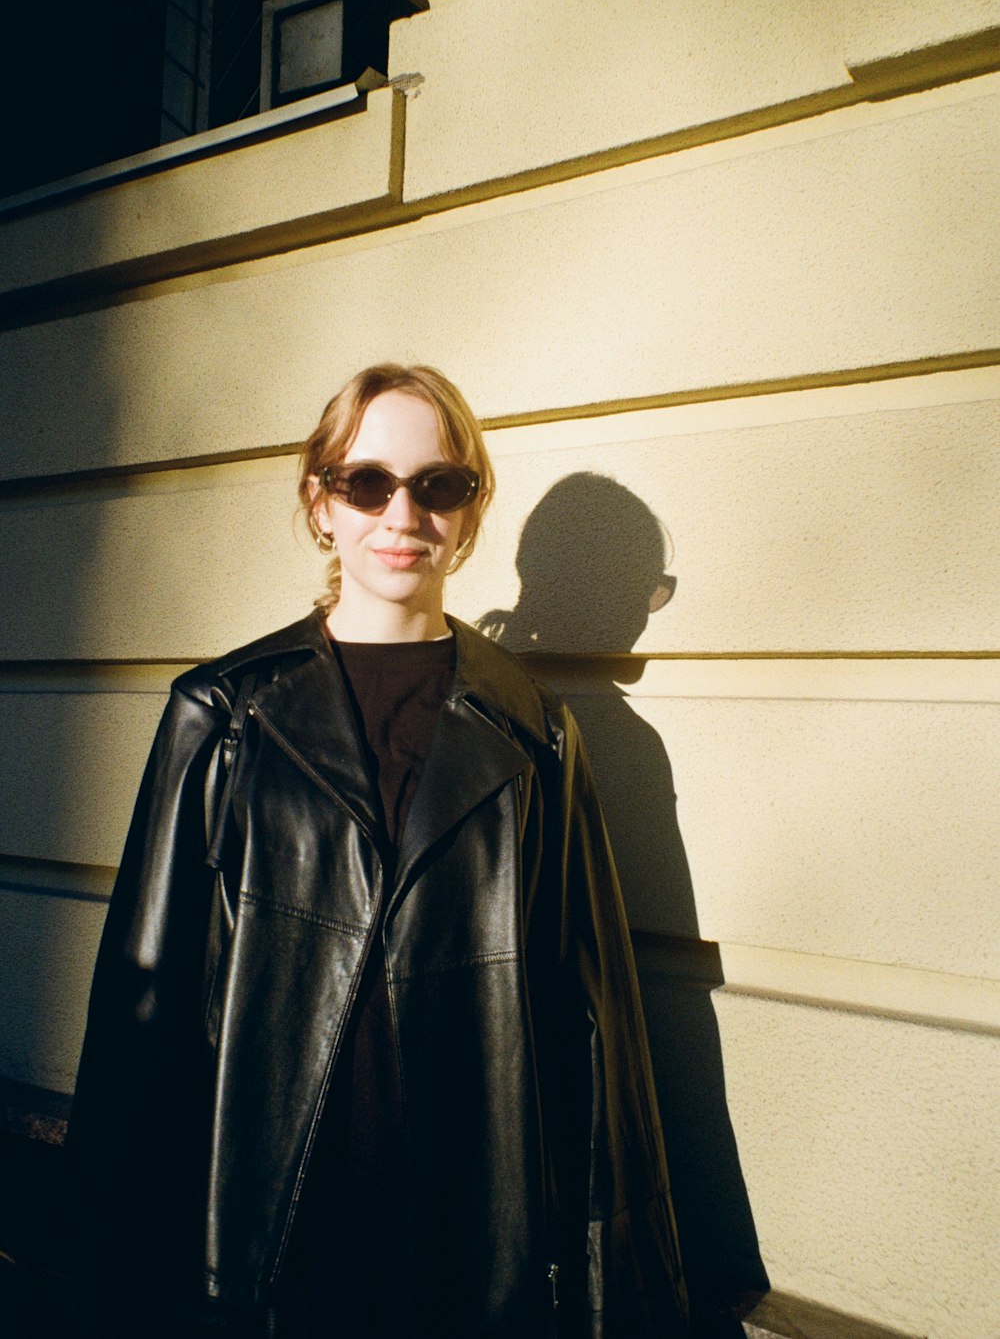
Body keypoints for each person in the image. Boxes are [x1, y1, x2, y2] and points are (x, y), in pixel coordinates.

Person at [67, 364, 689, 1338]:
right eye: (368, 481)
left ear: (470, 510)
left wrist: (627, 1295)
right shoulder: (226, 715)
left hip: (469, 1238)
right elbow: (139, 1030)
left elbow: (593, 1019)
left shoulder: (537, 735)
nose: (403, 511)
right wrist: (113, 1280)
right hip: (275, 1239)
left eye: (438, 484)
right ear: (320, 501)